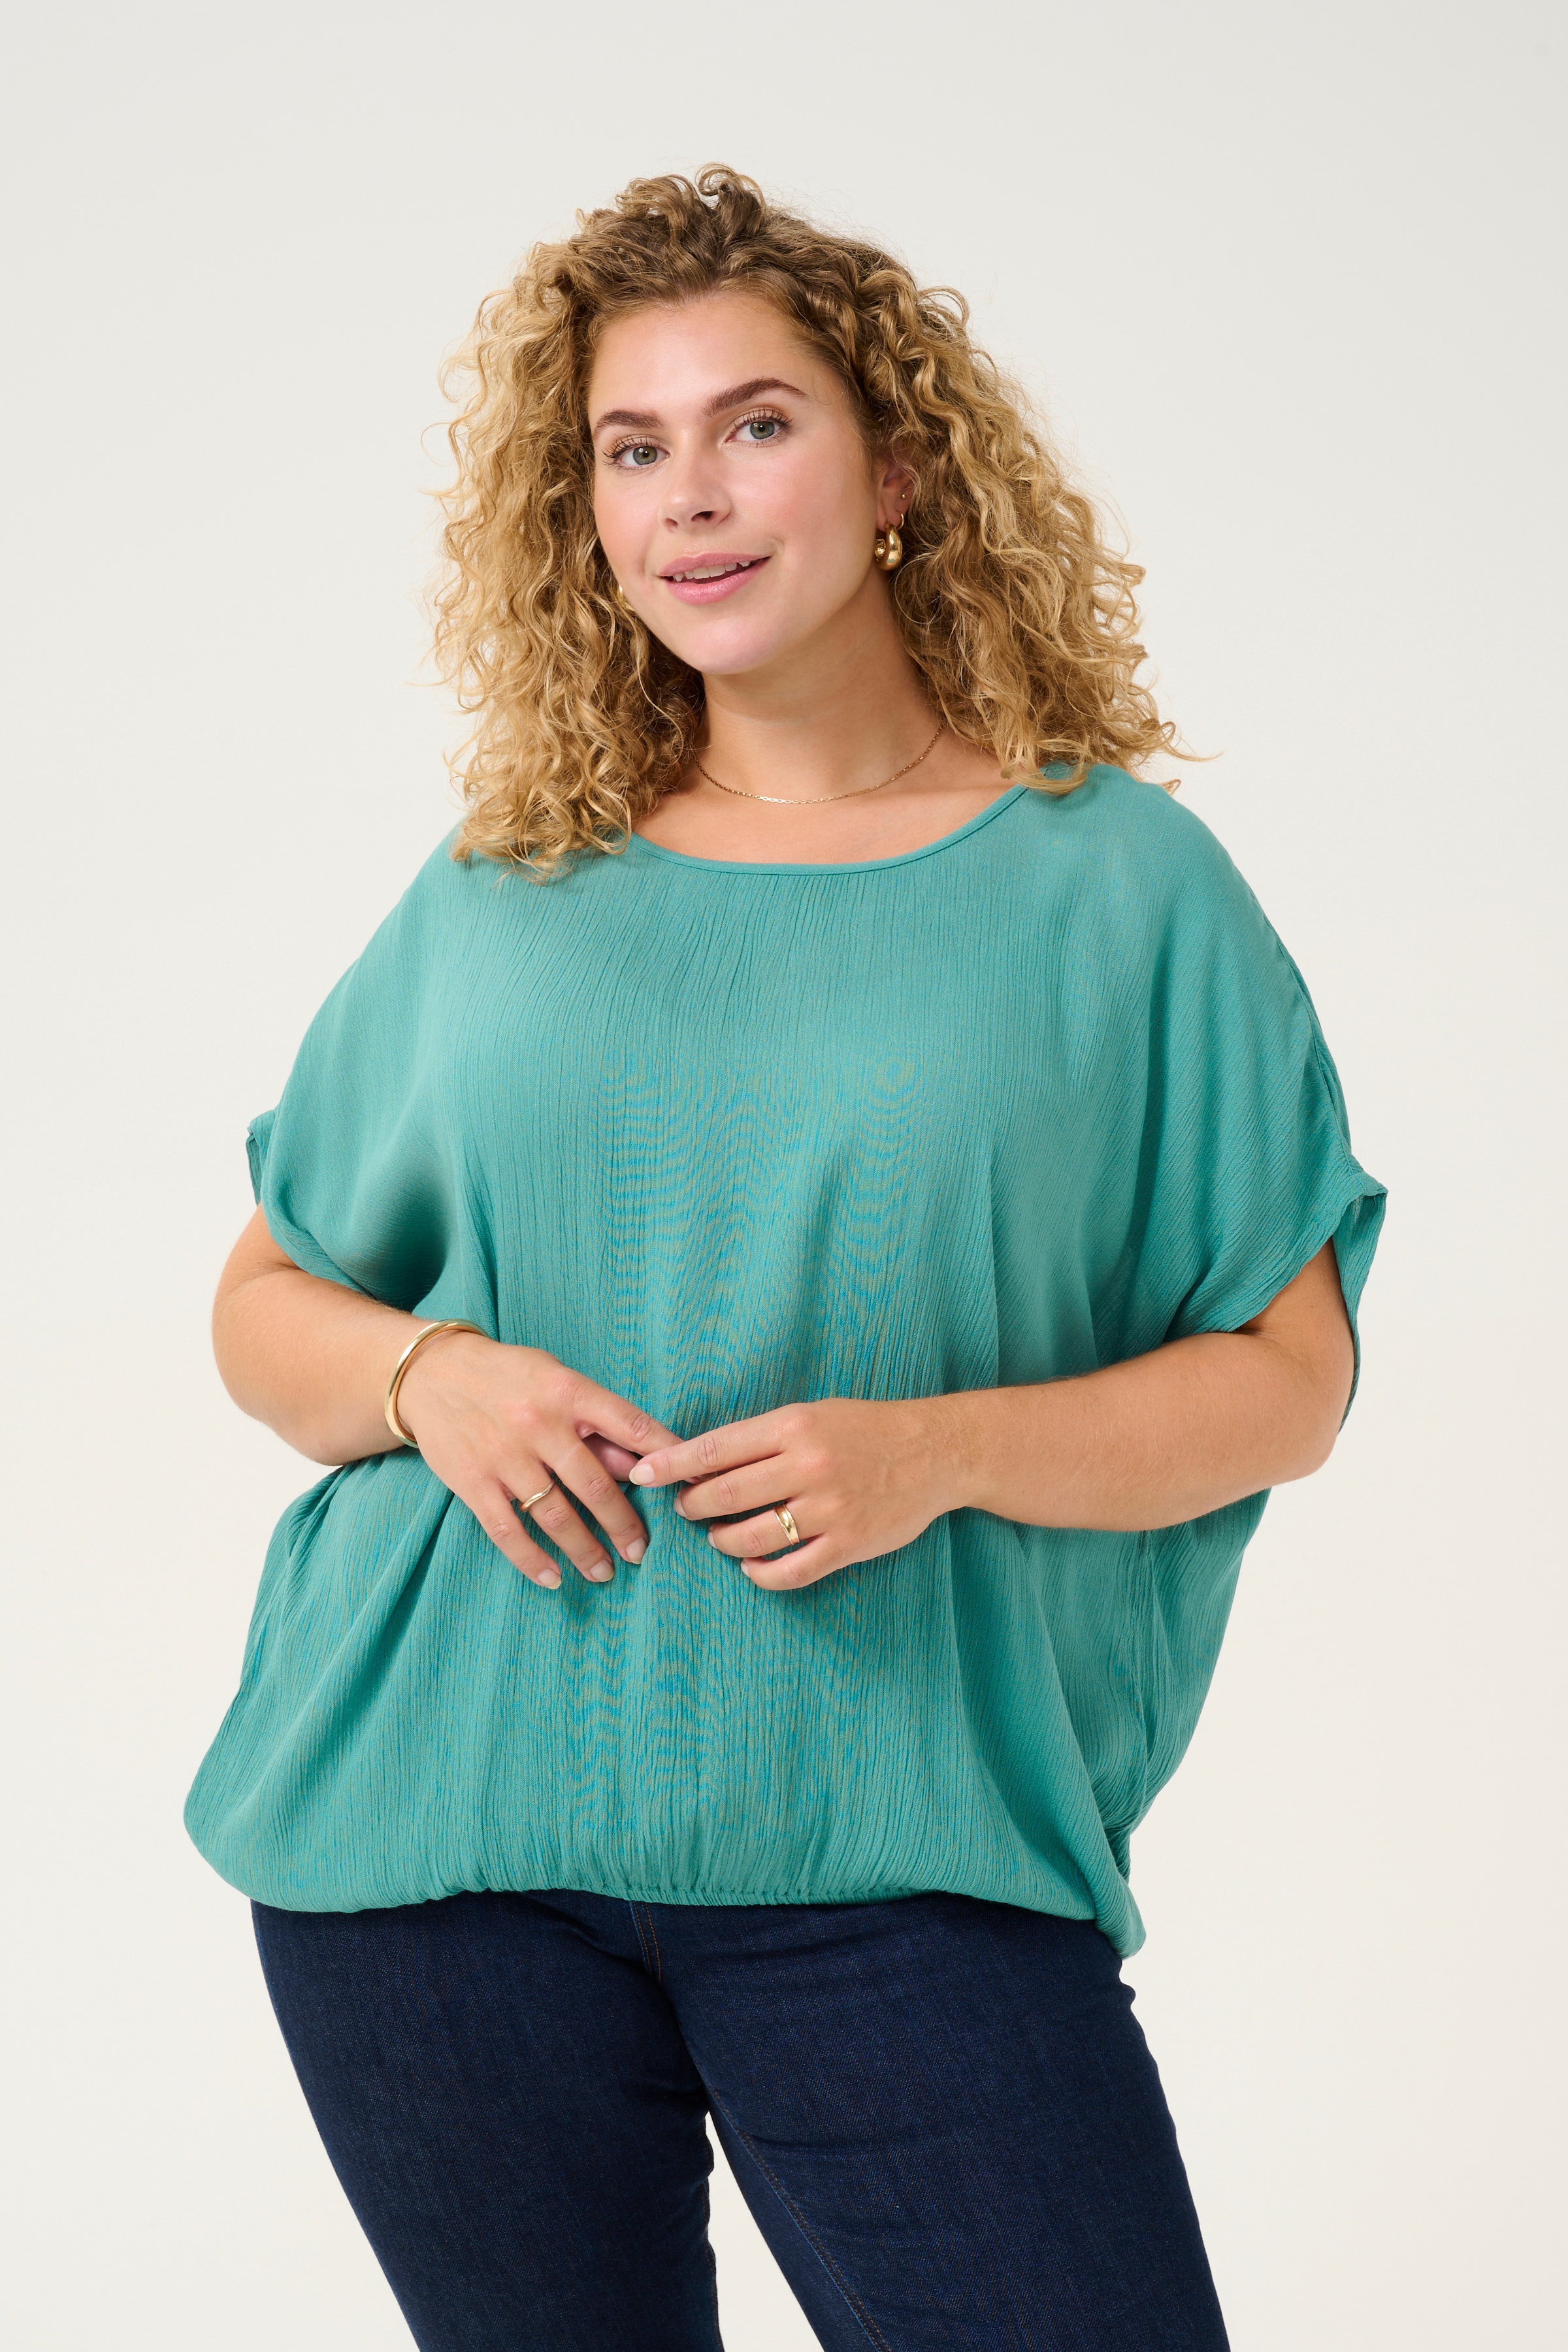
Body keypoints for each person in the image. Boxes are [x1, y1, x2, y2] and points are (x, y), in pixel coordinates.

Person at [186, 166, 1385, 2352]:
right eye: (632, 448)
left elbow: (1287, 1383)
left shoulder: (1118, 889)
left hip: (900, 1844)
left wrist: (937, 1452)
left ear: (899, 467)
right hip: (435, 1850)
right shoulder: (510, 882)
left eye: (757, 425)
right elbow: (266, 1305)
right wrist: (430, 1379)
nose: (692, 497)